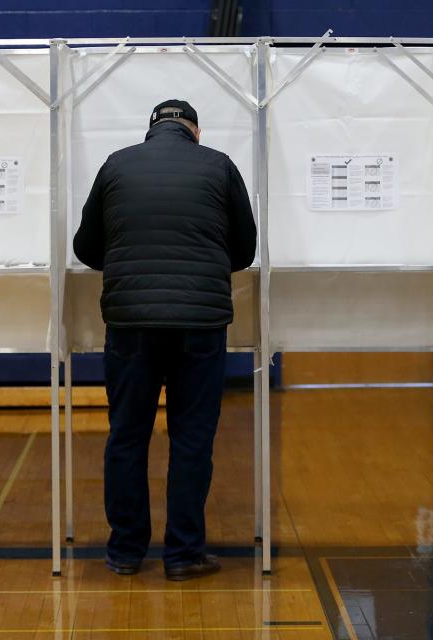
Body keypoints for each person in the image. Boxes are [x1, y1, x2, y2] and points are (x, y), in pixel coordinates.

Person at [73, 99, 257, 581]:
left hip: (131, 322)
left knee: (127, 435)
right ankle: (182, 555)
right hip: (200, 321)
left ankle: (125, 552)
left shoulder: (117, 164)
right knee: (192, 438)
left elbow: (86, 247)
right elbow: (244, 248)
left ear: (151, 130)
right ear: (194, 131)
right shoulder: (218, 165)